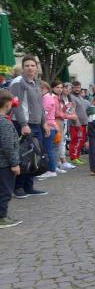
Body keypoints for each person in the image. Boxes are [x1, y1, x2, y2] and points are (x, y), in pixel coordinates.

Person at [9, 55, 50, 198]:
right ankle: (18, 187)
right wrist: (23, 124)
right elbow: (16, 105)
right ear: (23, 68)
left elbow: (40, 105)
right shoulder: (18, 82)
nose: (30, 68)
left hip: (36, 124)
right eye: (27, 65)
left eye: (32, 65)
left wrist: (44, 122)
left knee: (35, 156)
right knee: (24, 155)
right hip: (23, 124)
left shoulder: (36, 83)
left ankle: (29, 186)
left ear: (36, 68)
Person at [0, 90, 22, 228]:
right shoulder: (4, 123)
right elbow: (8, 145)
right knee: (5, 191)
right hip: (4, 163)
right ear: (8, 104)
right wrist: (15, 163)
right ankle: (1, 217)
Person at [38, 81, 60, 180]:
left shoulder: (46, 97)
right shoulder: (49, 97)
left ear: (46, 89)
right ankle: (52, 169)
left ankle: (51, 170)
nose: (39, 90)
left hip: (48, 126)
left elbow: (44, 112)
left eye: (41, 88)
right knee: (49, 149)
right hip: (51, 125)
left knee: (48, 149)